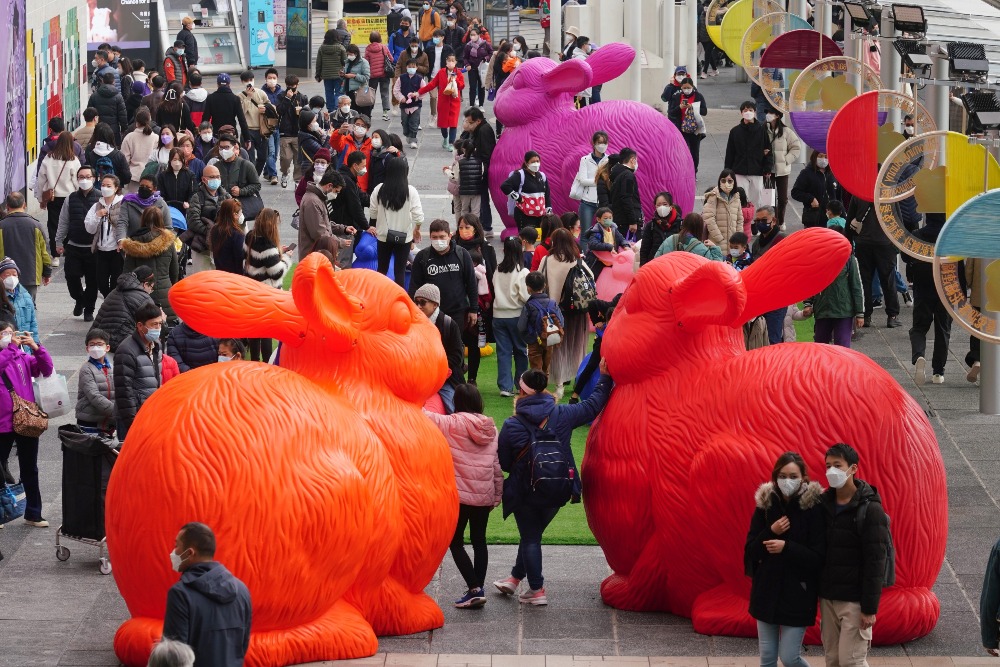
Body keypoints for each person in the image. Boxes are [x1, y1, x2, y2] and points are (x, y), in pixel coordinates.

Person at [494, 365, 613, 604]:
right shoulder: (563, 414)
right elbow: (593, 405)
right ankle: (515, 578)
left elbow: (505, 462)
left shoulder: (511, 424)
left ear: (521, 391)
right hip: (558, 488)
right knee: (533, 534)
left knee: (530, 536)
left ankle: (536, 590)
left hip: (525, 491)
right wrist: (605, 377)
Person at [423, 383, 501, 608]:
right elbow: (495, 465)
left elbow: (423, 414)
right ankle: (477, 588)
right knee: (479, 541)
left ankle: (475, 588)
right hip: (483, 495)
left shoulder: (451, 423)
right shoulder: (491, 428)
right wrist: (496, 494)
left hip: (460, 497)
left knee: (456, 542)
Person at [744, 452, 825, 667]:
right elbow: (751, 551)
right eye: (782, 476)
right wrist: (771, 530)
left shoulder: (814, 508)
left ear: (803, 478)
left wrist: (786, 547)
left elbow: (817, 557)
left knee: (790, 657)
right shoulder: (766, 505)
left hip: (798, 594)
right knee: (767, 659)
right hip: (766, 591)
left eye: (793, 476)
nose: (787, 481)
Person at [818, 443, 891, 667]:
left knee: (852, 662)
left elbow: (875, 562)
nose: (832, 471)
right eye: (828, 465)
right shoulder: (823, 504)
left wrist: (869, 608)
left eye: (837, 466)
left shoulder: (870, 510)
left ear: (853, 468)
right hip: (828, 598)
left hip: (855, 602)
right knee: (833, 660)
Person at [162, 522, 252, 667]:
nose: (173, 551)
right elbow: (243, 644)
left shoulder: (180, 594)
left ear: (190, 553)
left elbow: (174, 657)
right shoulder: (242, 590)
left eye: (176, 545)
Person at [0, 321, 53, 528]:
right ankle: (2, 511)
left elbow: (46, 369)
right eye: (4, 333)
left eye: (12, 333)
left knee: (30, 467)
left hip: (25, 418)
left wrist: (37, 348)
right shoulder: (7, 354)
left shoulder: (22, 357)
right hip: (3, 422)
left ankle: (33, 512)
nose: (9, 336)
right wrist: (12, 347)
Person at [539, 229, 588, 394]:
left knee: (557, 347)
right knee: (575, 345)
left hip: (552, 311)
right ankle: (577, 379)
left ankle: (559, 384)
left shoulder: (547, 260)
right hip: (575, 310)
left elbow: (539, 279)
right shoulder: (577, 260)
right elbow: (591, 279)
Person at [905, 213, 951, 384]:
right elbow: (958, 264)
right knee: (943, 330)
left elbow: (905, 256)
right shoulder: (949, 236)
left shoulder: (917, 235)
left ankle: (919, 356)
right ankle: (938, 372)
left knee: (919, 327)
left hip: (922, 287)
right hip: (946, 288)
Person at [410, 219, 477, 336]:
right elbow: (415, 286)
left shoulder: (462, 254)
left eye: (442, 237)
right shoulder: (422, 257)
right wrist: (414, 310)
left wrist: (473, 309)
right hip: (431, 313)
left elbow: (471, 283)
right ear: (430, 237)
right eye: (434, 237)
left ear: (450, 236)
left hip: (457, 311)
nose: (438, 240)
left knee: (455, 347)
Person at [847, 196, 902, 330]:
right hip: (885, 243)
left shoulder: (858, 194)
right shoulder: (889, 196)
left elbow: (850, 220)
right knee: (888, 279)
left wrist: (849, 242)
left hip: (863, 242)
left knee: (864, 280)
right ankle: (892, 315)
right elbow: (898, 220)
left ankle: (865, 315)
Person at [243, 209, 291, 362]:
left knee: (255, 331)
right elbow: (276, 273)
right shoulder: (268, 245)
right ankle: (266, 363)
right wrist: (285, 259)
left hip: (252, 290)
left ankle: (255, 361)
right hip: (267, 294)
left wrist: (277, 253)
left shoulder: (250, 236)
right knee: (266, 333)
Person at [370, 153, 424, 285]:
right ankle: (399, 300)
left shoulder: (379, 189)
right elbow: (419, 216)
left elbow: (373, 213)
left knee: (381, 269)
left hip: (383, 236)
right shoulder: (410, 191)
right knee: (399, 271)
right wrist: (417, 229)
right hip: (404, 237)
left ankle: (379, 296)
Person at [54, 165, 100, 321]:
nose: (85, 180)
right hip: (74, 246)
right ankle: (79, 299)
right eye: (81, 177)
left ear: (95, 179)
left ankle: (89, 309)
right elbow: (63, 221)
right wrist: (59, 241)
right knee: (71, 277)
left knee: (93, 281)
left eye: (88, 177)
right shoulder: (71, 198)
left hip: (93, 248)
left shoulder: (100, 198)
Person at [113, 302, 163, 441]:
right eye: (154, 325)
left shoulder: (156, 345)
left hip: (151, 414)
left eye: (160, 324)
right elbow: (124, 391)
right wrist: (132, 424)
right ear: (140, 326)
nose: (158, 328)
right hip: (132, 418)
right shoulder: (126, 351)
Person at [455, 214, 496, 384]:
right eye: (461, 227)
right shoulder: (452, 246)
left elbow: (493, 274)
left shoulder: (486, 248)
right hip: (456, 303)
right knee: (455, 342)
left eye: (467, 227)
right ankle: (456, 376)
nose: (464, 231)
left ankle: (472, 378)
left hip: (479, 305)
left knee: (474, 342)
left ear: (475, 228)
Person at [413, 283, 465, 412]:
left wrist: (436, 370)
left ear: (435, 304)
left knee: (453, 409)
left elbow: (457, 356)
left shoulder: (449, 324)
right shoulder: (412, 323)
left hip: (445, 379)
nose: (418, 306)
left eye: (423, 302)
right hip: (418, 378)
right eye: (416, 302)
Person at [122, 207, 179, 321]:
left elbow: (127, 274)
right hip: (165, 292)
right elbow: (174, 270)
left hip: (141, 295)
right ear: (161, 220)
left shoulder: (133, 244)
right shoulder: (168, 242)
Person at [34, 131, 81, 266]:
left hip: (53, 197)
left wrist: (40, 198)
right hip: (70, 197)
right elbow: (76, 181)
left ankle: (55, 256)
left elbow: (41, 179)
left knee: (53, 224)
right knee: (69, 224)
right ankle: (67, 250)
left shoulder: (48, 158)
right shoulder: (73, 160)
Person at [493, 237, 530, 397]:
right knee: (521, 351)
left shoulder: (497, 270)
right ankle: (521, 384)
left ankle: (505, 386)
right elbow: (525, 296)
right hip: (516, 315)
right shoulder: (522, 272)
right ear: (520, 250)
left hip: (498, 316)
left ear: (504, 250)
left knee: (503, 351)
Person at [0, 193, 52, 302]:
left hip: (4, 275)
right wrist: (47, 273)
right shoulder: (36, 225)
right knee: (29, 306)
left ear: (7, 206)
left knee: (6, 307)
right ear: (25, 205)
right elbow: (45, 252)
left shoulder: (1, 226)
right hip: (31, 275)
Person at [92, 266, 157, 351]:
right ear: (145, 284)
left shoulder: (116, 290)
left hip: (96, 340)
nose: (150, 292)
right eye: (151, 288)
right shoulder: (144, 298)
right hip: (118, 343)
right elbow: (153, 325)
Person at [725, 101, 774, 208]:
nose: (748, 112)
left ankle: (755, 222)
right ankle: (742, 221)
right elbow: (730, 152)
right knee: (740, 198)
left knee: (757, 198)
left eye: (750, 110)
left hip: (757, 170)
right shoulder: (735, 131)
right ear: (741, 113)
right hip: (739, 171)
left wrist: (768, 168)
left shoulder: (761, 130)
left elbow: (768, 151)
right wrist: (727, 171)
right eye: (745, 110)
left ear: (755, 112)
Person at [299, 170, 355, 261]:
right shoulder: (312, 201)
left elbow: (324, 223)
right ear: (329, 185)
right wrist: (339, 242)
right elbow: (319, 233)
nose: (336, 195)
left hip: (317, 254)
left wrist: (342, 228)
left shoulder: (318, 198)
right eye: (336, 191)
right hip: (313, 255)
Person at [185, 165, 231, 274]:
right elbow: (193, 221)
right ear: (204, 179)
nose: (216, 179)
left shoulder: (226, 196)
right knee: (202, 276)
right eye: (212, 177)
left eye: (218, 176)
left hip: (222, 243)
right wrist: (210, 232)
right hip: (202, 245)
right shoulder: (197, 197)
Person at [85, 174, 126, 297]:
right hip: (101, 250)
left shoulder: (123, 204)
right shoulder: (97, 205)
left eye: (108, 186)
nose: (105, 188)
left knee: (116, 282)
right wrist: (97, 215)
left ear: (116, 188)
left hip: (117, 251)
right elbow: (89, 228)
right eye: (103, 185)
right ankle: (109, 299)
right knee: (101, 282)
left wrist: (123, 241)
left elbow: (126, 225)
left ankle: (111, 304)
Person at [518, 270, 563, 378]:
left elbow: (521, 326)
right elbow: (561, 321)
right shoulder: (552, 303)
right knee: (545, 369)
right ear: (544, 285)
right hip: (549, 340)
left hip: (534, 341)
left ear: (528, 288)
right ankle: (543, 391)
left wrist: (528, 338)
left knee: (536, 370)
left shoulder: (529, 305)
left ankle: (537, 392)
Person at [461, 107, 497, 233]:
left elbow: (486, 154)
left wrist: (483, 173)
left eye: (470, 122)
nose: (468, 125)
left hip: (481, 171)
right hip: (477, 170)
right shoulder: (476, 130)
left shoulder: (484, 131)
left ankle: (486, 226)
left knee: (482, 199)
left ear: (478, 121)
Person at [418, 52, 464, 149]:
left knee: (453, 124)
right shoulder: (441, 72)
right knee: (443, 125)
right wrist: (420, 92)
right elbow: (432, 84)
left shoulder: (458, 73)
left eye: (453, 60)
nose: (451, 62)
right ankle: (445, 138)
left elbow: (462, 86)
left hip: (454, 102)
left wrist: (455, 80)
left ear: (456, 62)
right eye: (449, 60)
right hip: (443, 102)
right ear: (446, 62)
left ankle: (451, 143)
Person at [573, 131, 609, 250]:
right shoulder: (585, 159)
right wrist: (600, 182)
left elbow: (609, 181)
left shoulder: (609, 160)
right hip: (587, 202)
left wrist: (597, 182)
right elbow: (583, 180)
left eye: (604, 143)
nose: (602, 145)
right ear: (593, 143)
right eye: (599, 143)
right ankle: (585, 259)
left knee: (605, 233)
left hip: (603, 203)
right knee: (585, 234)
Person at [791, 150, 845, 229]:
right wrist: (811, 199)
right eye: (820, 156)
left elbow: (839, 197)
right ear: (814, 157)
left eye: (826, 157)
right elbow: (795, 192)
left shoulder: (833, 173)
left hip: (833, 220)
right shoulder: (806, 173)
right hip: (815, 218)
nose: (823, 159)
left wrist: (843, 215)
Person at [76, 328, 115, 435]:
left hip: (107, 422)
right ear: (87, 348)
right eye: (92, 344)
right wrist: (116, 411)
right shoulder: (86, 369)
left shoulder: (111, 368)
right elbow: (94, 396)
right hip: (89, 421)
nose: (95, 348)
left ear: (107, 348)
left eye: (99, 344)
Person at [766, 110, 801, 230]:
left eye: (770, 113)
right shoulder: (763, 130)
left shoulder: (786, 132)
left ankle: (781, 221)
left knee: (782, 198)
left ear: (777, 116)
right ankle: (771, 221)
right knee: (768, 198)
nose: (768, 115)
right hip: (768, 171)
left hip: (783, 171)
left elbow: (796, 147)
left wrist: (786, 160)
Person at [212, 134, 261, 218]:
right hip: (221, 208)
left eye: (227, 147)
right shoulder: (216, 166)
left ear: (234, 148)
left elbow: (256, 185)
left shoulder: (246, 165)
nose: (223, 150)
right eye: (221, 147)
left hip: (240, 209)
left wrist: (241, 191)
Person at [501, 151, 551, 232]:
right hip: (524, 214)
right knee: (527, 239)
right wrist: (518, 198)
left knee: (538, 240)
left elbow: (547, 194)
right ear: (526, 163)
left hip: (540, 215)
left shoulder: (542, 176)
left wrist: (549, 209)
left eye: (537, 161)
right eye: (533, 162)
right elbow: (505, 186)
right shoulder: (520, 175)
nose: (536, 164)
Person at [667, 77, 709, 174]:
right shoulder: (677, 97)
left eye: (688, 87)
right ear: (681, 87)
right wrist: (680, 107)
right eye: (684, 87)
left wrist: (693, 107)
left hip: (695, 130)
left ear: (692, 87)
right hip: (681, 129)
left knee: (694, 152)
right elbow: (671, 112)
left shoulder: (698, 96)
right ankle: (684, 171)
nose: (686, 90)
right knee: (682, 152)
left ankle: (694, 172)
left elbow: (704, 111)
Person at [276, 75, 309, 187]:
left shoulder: (302, 97)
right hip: (285, 132)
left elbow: (308, 114)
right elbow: (279, 110)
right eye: (288, 86)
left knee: (298, 160)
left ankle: (297, 180)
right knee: (286, 157)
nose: (291, 88)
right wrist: (287, 99)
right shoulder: (281, 96)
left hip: (299, 132)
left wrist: (302, 112)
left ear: (297, 85)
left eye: (293, 86)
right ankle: (285, 173)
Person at [237, 70, 272, 176]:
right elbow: (241, 112)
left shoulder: (261, 93)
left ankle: (254, 176)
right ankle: (251, 179)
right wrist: (248, 97)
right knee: (249, 159)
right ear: (242, 82)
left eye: (251, 80)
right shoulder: (239, 96)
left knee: (262, 157)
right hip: (247, 130)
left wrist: (265, 109)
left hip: (261, 129)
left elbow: (270, 106)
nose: (249, 82)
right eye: (247, 80)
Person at [704, 169, 746, 254]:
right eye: (723, 180)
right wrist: (719, 237)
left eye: (730, 181)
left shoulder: (736, 198)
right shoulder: (713, 196)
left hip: (733, 244)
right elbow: (709, 218)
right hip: (717, 241)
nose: (727, 183)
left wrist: (738, 238)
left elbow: (740, 219)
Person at [655, 212, 724, 261]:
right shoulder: (701, 248)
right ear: (700, 228)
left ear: (684, 224)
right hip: (689, 281)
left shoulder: (669, 239)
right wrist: (714, 247)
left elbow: (656, 260)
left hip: (667, 279)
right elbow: (716, 266)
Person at [584, 207, 630, 281]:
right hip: (598, 261)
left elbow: (621, 239)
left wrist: (626, 246)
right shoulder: (596, 231)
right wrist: (609, 247)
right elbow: (593, 244)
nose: (608, 220)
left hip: (611, 260)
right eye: (605, 218)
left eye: (610, 218)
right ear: (598, 219)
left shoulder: (613, 229)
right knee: (593, 279)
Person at [121, 109, 160, 192]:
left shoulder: (129, 137)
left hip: (133, 176)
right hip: (150, 177)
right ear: (149, 121)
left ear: (136, 123)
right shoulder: (156, 138)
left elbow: (124, 160)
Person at [203, 74, 250, 142]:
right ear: (229, 84)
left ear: (217, 84)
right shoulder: (235, 99)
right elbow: (241, 119)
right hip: (231, 133)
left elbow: (206, 118)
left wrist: (203, 133)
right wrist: (247, 138)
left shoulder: (211, 98)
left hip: (216, 133)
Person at [639, 192, 681, 266]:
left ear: (671, 206)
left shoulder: (680, 224)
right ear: (655, 206)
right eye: (658, 205)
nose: (662, 207)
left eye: (665, 204)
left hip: (675, 265)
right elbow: (644, 250)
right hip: (654, 265)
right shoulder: (651, 225)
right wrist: (643, 267)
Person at [609, 148, 643, 238]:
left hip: (619, 219)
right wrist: (632, 220)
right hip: (627, 222)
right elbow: (626, 197)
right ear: (632, 160)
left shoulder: (617, 176)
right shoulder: (628, 176)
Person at [88, 72, 127, 145]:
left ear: (102, 81)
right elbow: (123, 115)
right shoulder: (118, 96)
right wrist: (124, 129)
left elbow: (89, 113)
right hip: (114, 130)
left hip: (99, 129)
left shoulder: (94, 96)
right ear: (113, 82)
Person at [208, 199, 245, 275]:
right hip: (234, 276)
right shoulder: (237, 234)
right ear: (234, 215)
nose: (241, 215)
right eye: (240, 213)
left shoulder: (215, 229)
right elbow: (239, 259)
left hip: (220, 272)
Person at [394, 58, 425, 149]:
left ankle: (413, 139)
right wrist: (401, 98)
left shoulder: (420, 79)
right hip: (404, 105)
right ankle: (407, 134)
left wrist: (417, 95)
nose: (411, 68)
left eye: (413, 66)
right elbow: (396, 90)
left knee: (414, 122)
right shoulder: (401, 78)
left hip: (416, 105)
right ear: (406, 67)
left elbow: (424, 90)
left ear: (417, 67)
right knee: (405, 121)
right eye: (409, 66)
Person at [365, 32, 395, 122]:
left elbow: (366, 62)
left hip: (372, 75)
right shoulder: (383, 47)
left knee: (371, 94)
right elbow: (391, 59)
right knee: (385, 93)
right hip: (384, 74)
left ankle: (369, 112)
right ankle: (385, 113)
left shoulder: (368, 49)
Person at [315, 29, 349, 110]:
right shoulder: (341, 48)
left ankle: (330, 109)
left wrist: (318, 74)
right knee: (339, 92)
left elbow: (318, 62)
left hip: (326, 75)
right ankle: (337, 108)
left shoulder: (321, 48)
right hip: (339, 75)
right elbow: (345, 62)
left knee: (328, 92)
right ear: (337, 37)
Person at [260, 69, 283, 186]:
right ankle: (273, 175)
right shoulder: (261, 92)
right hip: (267, 126)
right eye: (269, 78)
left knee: (275, 152)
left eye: (274, 78)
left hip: (278, 126)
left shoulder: (282, 93)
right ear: (265, 79)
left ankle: (266, 171)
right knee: (271, 152)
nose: (272, 80)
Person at [158, 148, 196, 213]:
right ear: (170, 160)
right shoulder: (163, 176)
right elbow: (160, 193)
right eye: (174, 159)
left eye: (179, 160)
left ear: (183, 160)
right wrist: (164, 204)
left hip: (185, 209)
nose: (177, 162)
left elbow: (193, 192)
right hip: (167, 210)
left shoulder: (190, 175)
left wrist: (189, 203)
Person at [463, 27, 493, 108]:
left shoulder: (485, 44)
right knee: (472, 87)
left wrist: (486, 58)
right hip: (472, 69)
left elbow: (491, 53)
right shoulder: (468, 46)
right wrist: (467, 64)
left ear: (478, 35)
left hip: (482, 69)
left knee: (481, 87)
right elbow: (465, 57)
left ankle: (481, 105)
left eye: (474, 35)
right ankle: (471, 105)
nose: (472, 36)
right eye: (471, 35)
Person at [343, 44, 373, 118]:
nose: (349, 56)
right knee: (352, 115)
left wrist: (354, 76)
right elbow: (346, 75)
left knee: (363, 114)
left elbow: (366, 77)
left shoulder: (363, 62)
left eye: (351, 54)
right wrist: (342, 75)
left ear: (356, 53)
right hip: (349, 91)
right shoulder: (347, 62)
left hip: (360, 92)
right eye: (348, 54)